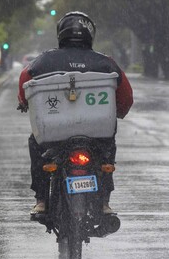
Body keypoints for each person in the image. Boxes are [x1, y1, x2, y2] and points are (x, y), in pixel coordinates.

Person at [17, 11, 134, 216]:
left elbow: (25, 81)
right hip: (98, 135)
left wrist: (23, 101)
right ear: (90, 34)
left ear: (61, 33)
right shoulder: (106, 63)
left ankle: (42, 200)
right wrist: (121, 110)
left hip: (53, 135)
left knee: (36, 144)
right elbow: (126, 97)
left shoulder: (43, 61)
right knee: (107, 152)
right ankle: (104, 203)